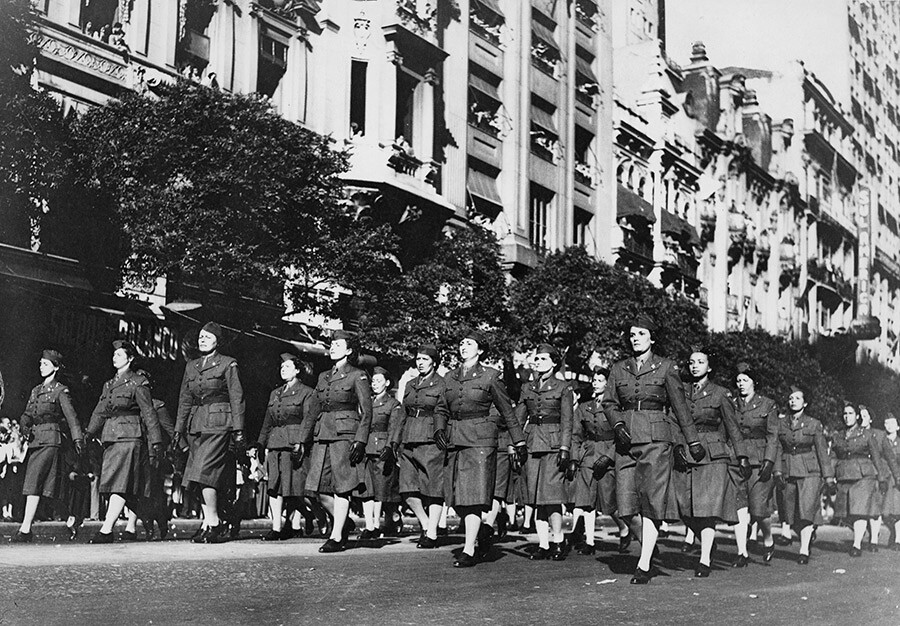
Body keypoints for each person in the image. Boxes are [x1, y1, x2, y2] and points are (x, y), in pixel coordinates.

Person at [601, 315, 705, 584]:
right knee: (625, 507)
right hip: (625, 443)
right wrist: (618, 423)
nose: (634, 338)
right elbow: (609, 403)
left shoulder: (667, 367)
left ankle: (644, 563)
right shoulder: (618, 368)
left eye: (641, 334)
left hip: (657, 441)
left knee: (651, 504)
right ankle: (649, 542)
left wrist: (692, 441)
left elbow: (680, 408)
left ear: (652, 338)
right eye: (632, 334)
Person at [434, 330, 528, 568]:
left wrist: (519, 441)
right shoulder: (449, 377)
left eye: (469, 343)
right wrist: (438, 430)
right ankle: (482, 533)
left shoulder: (491, 376)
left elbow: (507, 411)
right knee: (454, 496)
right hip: (455, 439)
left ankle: (469, 549)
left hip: (480, 442)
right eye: (461, 342)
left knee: (473, 498)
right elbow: (441, 408)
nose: (463, 346)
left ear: (481, 350)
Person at [674, 348, 749, 577]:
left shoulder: (721, 393)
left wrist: (742, 455)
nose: (695, 366)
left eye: (700, 362)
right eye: (691, 362)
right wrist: (678, 445)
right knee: (683, 508)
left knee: (706, 510)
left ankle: (704, 558)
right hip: (687, 451)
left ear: (709, 367)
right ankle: (707, 544)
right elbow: (674, 420)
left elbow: (733, 427)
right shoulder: (680, 392)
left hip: (713, 455)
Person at [301, 330, 373, 553]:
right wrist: (301, 441)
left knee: (342, 487)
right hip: (322, 434)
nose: (332, 347)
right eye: (331, 344)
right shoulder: (323, 376)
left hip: (344, 434)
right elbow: (312, 410)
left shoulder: (357, 375)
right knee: (317, 488)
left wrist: (360, 440)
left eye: (338, 344)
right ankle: (343, 522)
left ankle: (337, 534)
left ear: (349, 350)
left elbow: (367, 412)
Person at [174, 322, 246, 544]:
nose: (202, 340)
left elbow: (237, 398)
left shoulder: (228, 364)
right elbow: (185, 400)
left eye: (208, 337)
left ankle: (214, 522)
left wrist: (239, 429)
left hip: (219, 424)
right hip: (196, 425)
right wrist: (178, 430)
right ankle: (210, 522)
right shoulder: (191, 366)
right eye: (201, 336)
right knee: (194, 478)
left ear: (218, 341)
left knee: (204, 473)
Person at [85, 340, 163, 544]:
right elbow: (100, 411)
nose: (114, 357)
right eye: (114, 354)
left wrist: (156, 442)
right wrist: (87, 433)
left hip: (129, 437)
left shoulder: (138, 382)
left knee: (119, 485)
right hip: (111, 437)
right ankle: (148, 515)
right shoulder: (108, 385)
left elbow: (149, 413)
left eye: (119, 354)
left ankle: (106, 530)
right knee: (113, 485)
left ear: (130, 359)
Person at [11, 350, 83, 543]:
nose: (41, 366)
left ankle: (25, 529)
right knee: (48, 489)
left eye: (46, 364)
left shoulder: (61, 391)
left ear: (56, 367)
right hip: (35, 441)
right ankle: (71, 517)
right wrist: (24, 426)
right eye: (41, 363)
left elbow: (72, 418)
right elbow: (27, 414)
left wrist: (78, 440)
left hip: (51, 441)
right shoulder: (36, 390)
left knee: (35, 481)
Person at [515, 343, 574, 561]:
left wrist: (565, 448)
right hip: (532, 443)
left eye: (543, 359)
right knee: (534, 496)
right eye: (536, 359)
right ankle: (543, 543)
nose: (538, 362)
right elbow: (519, 417)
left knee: (551, 496)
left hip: (553, 443)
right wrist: (515, 444)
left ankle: (558, 540)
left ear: (554, 362)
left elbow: (568, 420)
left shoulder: (563, 387)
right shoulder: (527, 388)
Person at [253, 353, 317, 541]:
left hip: (293, 445)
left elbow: (308, 421)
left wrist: (302, 442)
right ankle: (277, 527)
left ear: (298, 370)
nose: (283, 369)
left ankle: (304, 518)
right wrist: (260, 443)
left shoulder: (307, 392)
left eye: (287, 367)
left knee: (294, 488)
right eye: (281, 367)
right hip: (275, 444)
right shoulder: (275, 393)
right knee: (274, 486)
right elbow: (267, 422)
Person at [773, 386, 835, 564]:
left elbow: (822, 451)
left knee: (806, 510)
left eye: (797, 398)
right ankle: (806, 536)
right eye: (791, 398)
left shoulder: (813, 423)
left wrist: (828, 477)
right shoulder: (781, 423)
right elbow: (777, 448)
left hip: (809, 471)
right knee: (790, 513)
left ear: (805, 403)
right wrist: (777, 471)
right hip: (787, 470)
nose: (793, 401)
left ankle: (803, 550)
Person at [571, 368, 630, 555]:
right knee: (587, 501)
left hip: (608, 453)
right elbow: (575, 435)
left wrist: (610, 456)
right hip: (588, 454)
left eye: (600, 380)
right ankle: (589, 542)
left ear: (608, 384)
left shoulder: (615, 407)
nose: (595, 383)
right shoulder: (584, 407)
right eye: (594, 380)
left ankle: (625, 528)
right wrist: (574, 457)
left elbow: (622, 435)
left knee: (609, 501)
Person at [392, 345, 446, 548]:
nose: (420, 362)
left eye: (425, 359)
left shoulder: (442, 384)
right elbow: (402, 414)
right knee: (407, 489)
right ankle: (425, 523)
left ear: (434, 361)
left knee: (433, 488)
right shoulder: (410, 384)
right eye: (418, 359)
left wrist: (441, 433)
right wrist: (394, 442)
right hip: (408, 438)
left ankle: (431, 532)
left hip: (431, 439)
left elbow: (443, 411)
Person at [730, 362, 780, 566]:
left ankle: (768, 538)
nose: (741, 384)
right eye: (738, 380)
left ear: (754, 382)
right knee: (739, 508)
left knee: (758, 510)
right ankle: (742, 552)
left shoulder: (767, 404)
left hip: (759, 463)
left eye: (745, 380)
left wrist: (769, 461)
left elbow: (773, 435)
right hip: (736, 460)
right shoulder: (731, 403)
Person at [831, 403, 890, 556]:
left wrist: (882, 477)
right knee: (846, 513)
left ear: (857, 416)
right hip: (844, 475)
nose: (847, 417)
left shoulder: (867, 434)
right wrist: (829, 476)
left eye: (850, 413)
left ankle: (857, 544)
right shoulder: (838, 435)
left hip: (864, 476)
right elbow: (833, 457)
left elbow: (876, 457)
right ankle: (862, 533)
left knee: (859, 510)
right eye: (845, 414)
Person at [360, 366, 402, 539]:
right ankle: (369, 524)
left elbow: (395, 427)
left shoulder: (393, 404)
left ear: (387, 383)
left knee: (380, 489)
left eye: (378, 381)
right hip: (366, 449)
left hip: (381, 450)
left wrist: (390, 446)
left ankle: (377, 524)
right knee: (366, 489)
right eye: (373, 381)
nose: (374, 384)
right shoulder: (366, 402)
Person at [859, 405, 893, 550]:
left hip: (876, 474)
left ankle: (873, 540)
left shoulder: (879, 435)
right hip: (858, 475)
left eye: (865, 416)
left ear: (871, 419)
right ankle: (864, 533)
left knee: (874, 508)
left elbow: (889, 457)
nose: (862, 419)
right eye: (859, 416)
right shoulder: (852, 434)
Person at [879, 414, 900, 550]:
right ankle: (893, 533)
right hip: (883, 477)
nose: (889, 426)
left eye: (892, 423)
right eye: (886, 423)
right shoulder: (880, 442)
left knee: (897, 510)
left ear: (898, 426)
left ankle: (898, 539)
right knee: (884, 511)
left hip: (896, 479)